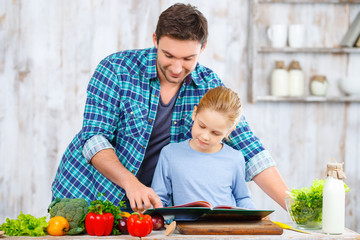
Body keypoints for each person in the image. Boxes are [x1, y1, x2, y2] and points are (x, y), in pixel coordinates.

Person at [51, 3, 288, 212]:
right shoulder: (116, 69)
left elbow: (250, 149)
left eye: (188, 59)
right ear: (155, 40)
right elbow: (94, 138)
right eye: (168, 55)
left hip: (152, 207)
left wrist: (295, 207)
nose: (176, 68)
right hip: (89, 194)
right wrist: (132, 184)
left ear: (202, 49)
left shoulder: (208, 86)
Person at [151, 86, 256, 209]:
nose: (205, 137)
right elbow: (158, 199)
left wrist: (256, 217)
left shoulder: (235, 158)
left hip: (227, 226)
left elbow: (243, 198)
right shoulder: (170, 154)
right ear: (194, 113)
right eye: (201, 126)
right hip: (186, 228)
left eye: (215, 133)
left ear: (229, 131)